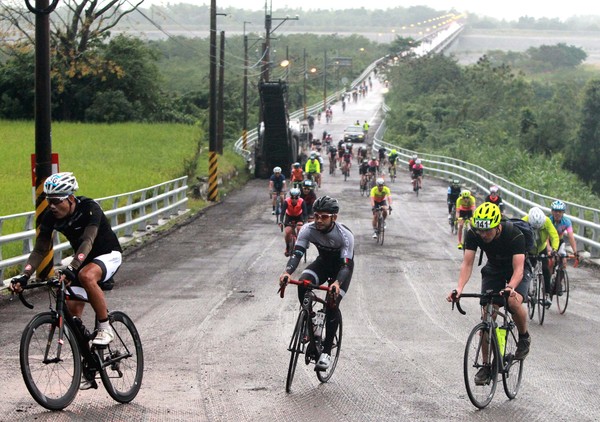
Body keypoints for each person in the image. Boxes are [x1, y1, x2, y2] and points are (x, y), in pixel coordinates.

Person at [10, 172, 122, 351]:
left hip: (107, 254)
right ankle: (87, 359)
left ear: (70, 198)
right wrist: (24, 276)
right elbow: (40, 249)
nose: (52, 206)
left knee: (86, 275)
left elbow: (88, 241)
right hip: (82, 260)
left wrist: (72, 268)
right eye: (49, 201)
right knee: (71, 313)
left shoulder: (90, 208)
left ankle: (105, 327)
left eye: (56, 201)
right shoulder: (50, 215)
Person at [446, 202, 532, 386]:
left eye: (487, 231)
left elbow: (518, 270)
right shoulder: (474, 233)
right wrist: (459, 288)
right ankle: (486, 366)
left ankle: (524, 337)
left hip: (516, 270)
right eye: (480, 231)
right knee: (487, 314)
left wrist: (511, 287)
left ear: (497, 226)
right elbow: (467, 263)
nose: (483, 235)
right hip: (493, 269)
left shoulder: (514, 234)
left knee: (513, 302)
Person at [279, 196, 355, 371]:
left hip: (342, 269)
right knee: (303, 283)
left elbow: (345, 265)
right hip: (322, 263)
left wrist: (337, 282)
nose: (319, 220)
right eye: (317, 215)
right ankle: (310, 319)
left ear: (334, 217)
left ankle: (327, 352)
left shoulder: (345, 235)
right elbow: (297, 253)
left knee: (332, 303)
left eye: (324, 216)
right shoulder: (308, 229)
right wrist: (287, 273)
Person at [522, 206, 560, 307]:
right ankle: (524, 291)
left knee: (546, 269)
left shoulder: (547, 221)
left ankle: (547, 294)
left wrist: (554, 249)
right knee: (525, 270)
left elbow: (554, 235)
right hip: (528, 249)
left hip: (541, 248)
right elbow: (517, 236)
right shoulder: (524, 220)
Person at [549, 200, 578, 271]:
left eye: (560, 211)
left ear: (563, 212)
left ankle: (560, 280)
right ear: (552, 211)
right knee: (551, 262)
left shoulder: (567, 221)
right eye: (555, 211)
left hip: (559, 241)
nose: (557, 213)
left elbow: (571, 237)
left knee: (564, 260)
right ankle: (548, 281)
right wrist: (549, 250)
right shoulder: (548, 221)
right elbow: (546, 237)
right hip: (549, 242)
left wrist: (575, 252)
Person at [279, 188, 307, 257]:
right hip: (289, 217)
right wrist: (281, 221)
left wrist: (304, 221)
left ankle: (298, 243)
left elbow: (305, 214)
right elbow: (282, 213)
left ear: (299, 197)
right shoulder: (286, 201)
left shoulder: (302, 201)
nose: (294, 199)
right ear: (290, 196)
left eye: (296, 198)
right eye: (292, 197)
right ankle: (288, 247)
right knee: (288, 231)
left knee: (299, 228)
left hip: (299, 216)